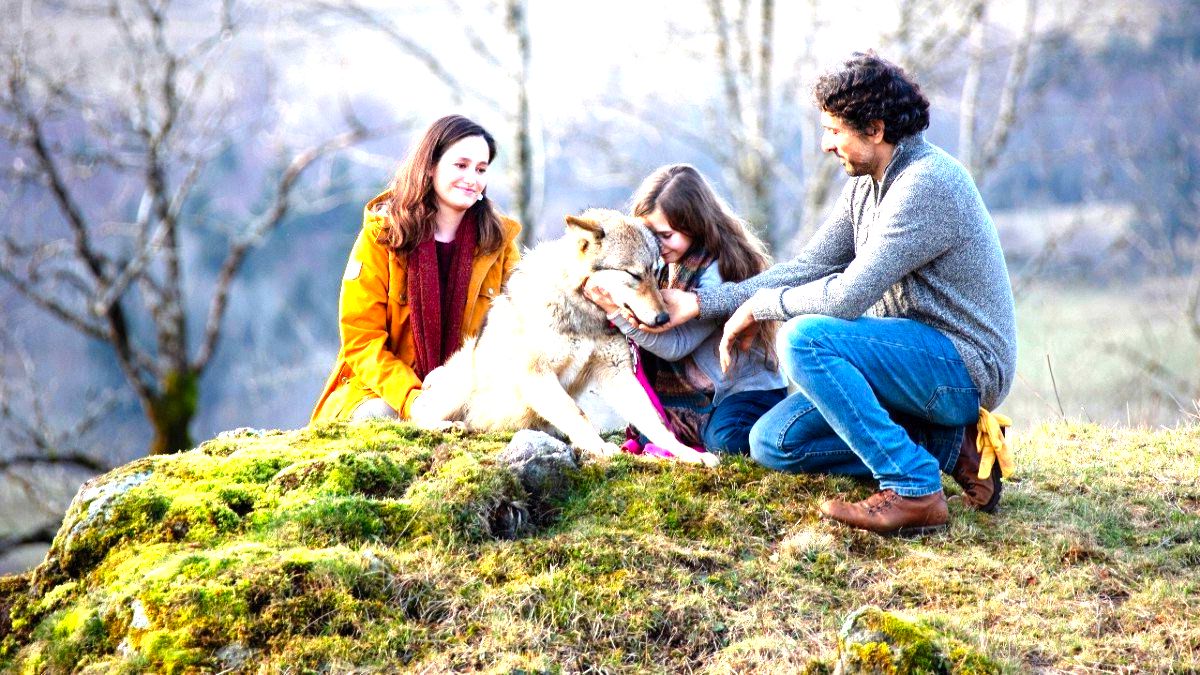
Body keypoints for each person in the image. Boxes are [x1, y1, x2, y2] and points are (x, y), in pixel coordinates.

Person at [653, 52, 1017, 534]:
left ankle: (912, 488)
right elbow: (810, 267)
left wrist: (762, 307)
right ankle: (950, 446)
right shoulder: (868, 186)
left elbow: (846, 297)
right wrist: (706, 303)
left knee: (805, 339)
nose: (826, 144)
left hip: (962, 368)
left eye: (834, 130)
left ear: (875, 129)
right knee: (772, 442)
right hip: (901, 361)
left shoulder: (927, 184)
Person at [310, 115, 521, 424]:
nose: (472, 178)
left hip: (467, 390)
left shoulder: (499, 243)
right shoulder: (383, 235)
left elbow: (519, 330)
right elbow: (362, 341)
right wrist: (415, 399)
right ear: (430, 166)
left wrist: (458, 381)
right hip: (383, 391)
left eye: (481, 169)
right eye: (460, 166)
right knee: (379, 418)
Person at [585, 164, 788, 456]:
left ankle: (783, 427)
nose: (657, 244)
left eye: (666, 235)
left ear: (694, 226)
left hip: (743, 391)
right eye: (650, 233)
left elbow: (677, 345)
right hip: (697, 393)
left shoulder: (718, 271)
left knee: (725, 441)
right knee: (648, 430)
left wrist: (617, 313)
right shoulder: (661, 262)